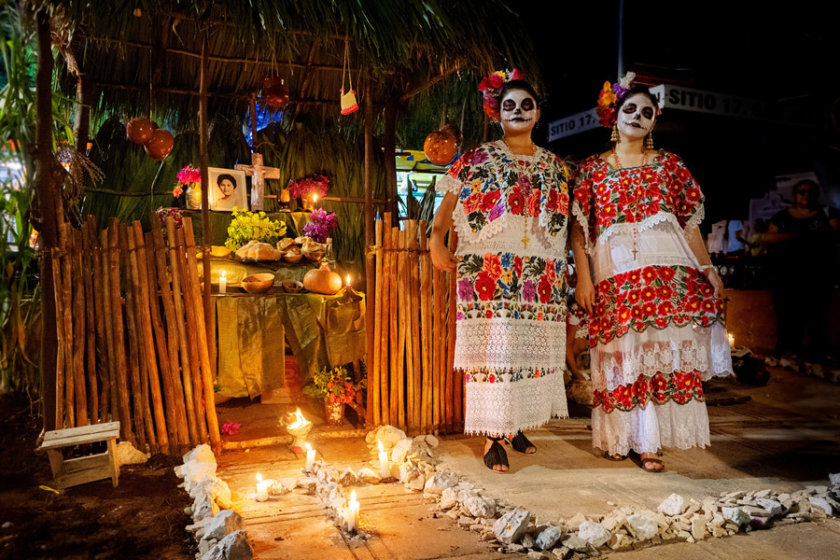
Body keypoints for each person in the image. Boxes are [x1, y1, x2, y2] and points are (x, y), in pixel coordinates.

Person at [571, 74, 732, 473]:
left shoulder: (669, 165)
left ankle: (648, 442)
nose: (638, 117)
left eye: (647, 112)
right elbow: (579, 229)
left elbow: (689, 224)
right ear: (614, 116)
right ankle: (624, 436)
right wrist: (584, 277)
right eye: (630, 109)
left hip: (665, 277)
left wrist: (707, 267)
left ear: (654, 122)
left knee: (656, 353)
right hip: (615, 276)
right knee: (624, 355)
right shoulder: (591, 169)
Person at [430, 70, 570, 472]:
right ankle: (493, 435)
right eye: (510, 105)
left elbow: (565, 225)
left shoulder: (556, 167)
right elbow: (447, 208)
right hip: (488, 271)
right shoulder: (478, 157)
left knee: (527, 352)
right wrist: (435, 241)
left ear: (538, 113)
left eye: (527, 105)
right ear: (498, 114)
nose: (519, 111)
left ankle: (517, 425)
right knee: (497, 351)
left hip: (539, 274)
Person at [765, 179, 840, 362]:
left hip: (818, 274)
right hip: (788, 275)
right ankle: (788, 350)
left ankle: (817, 352)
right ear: (795, 195)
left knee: (818, 314)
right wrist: (793, 235)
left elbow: (837, 234)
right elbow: (768, 237)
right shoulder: (782, 216)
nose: (805, 195)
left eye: (809, 191)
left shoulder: (827, 213)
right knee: (788, 315)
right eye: (801, 191)